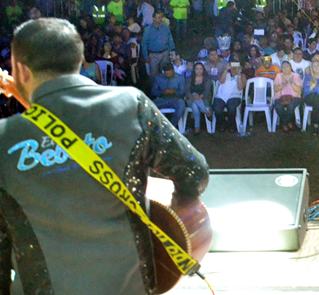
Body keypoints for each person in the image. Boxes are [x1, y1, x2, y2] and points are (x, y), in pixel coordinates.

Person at [0, 18, 208, 294]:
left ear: (20, 71)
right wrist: (173, 216)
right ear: (80, 59)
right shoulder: (131, 105)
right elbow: (194, 173)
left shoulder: (5, 138)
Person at [213, 61, 246, 133]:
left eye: (236, 66)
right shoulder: (225, 74)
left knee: (231, 107)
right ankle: (221, 124)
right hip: (221, 96)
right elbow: (221, 81)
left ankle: (231, 125)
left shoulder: (242, 76)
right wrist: (226, 70)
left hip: (234, 96)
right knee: (217, 109)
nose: (234, 68)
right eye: (232, 66)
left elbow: (240, 87)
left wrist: (239, 75)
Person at [141, 10, 175, 77]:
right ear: (153, 18)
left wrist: (172, 51)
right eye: (158, 17)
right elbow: (144, 43)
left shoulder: (165, 27)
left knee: (165, 73)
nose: (161, 19)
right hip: (154, 55)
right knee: (153, 74)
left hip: (165, 53)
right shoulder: (148, 29)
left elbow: (170, 39)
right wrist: (145, 56)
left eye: (161, 17)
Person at [152, 62, 186, 127]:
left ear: (173, 70)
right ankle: (156, 126)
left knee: (181, 105)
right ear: (164, 72)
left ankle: (171, 126)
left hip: (175, 99)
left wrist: (174, 91)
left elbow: (182, 92)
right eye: (166, 74)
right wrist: (162, 92)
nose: (168, 75)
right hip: (163, 99)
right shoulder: (158, 78)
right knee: (150, 105)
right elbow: (153, 91)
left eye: (170, 73)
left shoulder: (180, 78)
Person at [273, 61, 303, 132]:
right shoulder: (279, 76)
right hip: (280, 97)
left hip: (294, 97)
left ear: (291, 67)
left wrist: (291, 83)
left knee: (291, 106)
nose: (285, 68)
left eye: (287, 66)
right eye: (283, 67)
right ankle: (289, 122)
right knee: (278, 107)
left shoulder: (296, 76)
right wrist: (283, 84)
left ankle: (284, 124)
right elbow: (275, 89)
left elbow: (299, 90)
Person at [185, 62, 213, 135]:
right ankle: (206, 112)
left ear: (203, 70)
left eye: (201, 69)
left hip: (204, 99)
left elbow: (207, 91)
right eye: (197, 69)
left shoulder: (207, 79)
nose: (199, 71)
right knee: (194, 96)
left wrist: (200, 96)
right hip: (191, 99)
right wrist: (193, 96)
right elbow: (187, 91)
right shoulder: (189, 79)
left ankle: (197, 128)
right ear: (194, 70)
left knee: (195, 106)